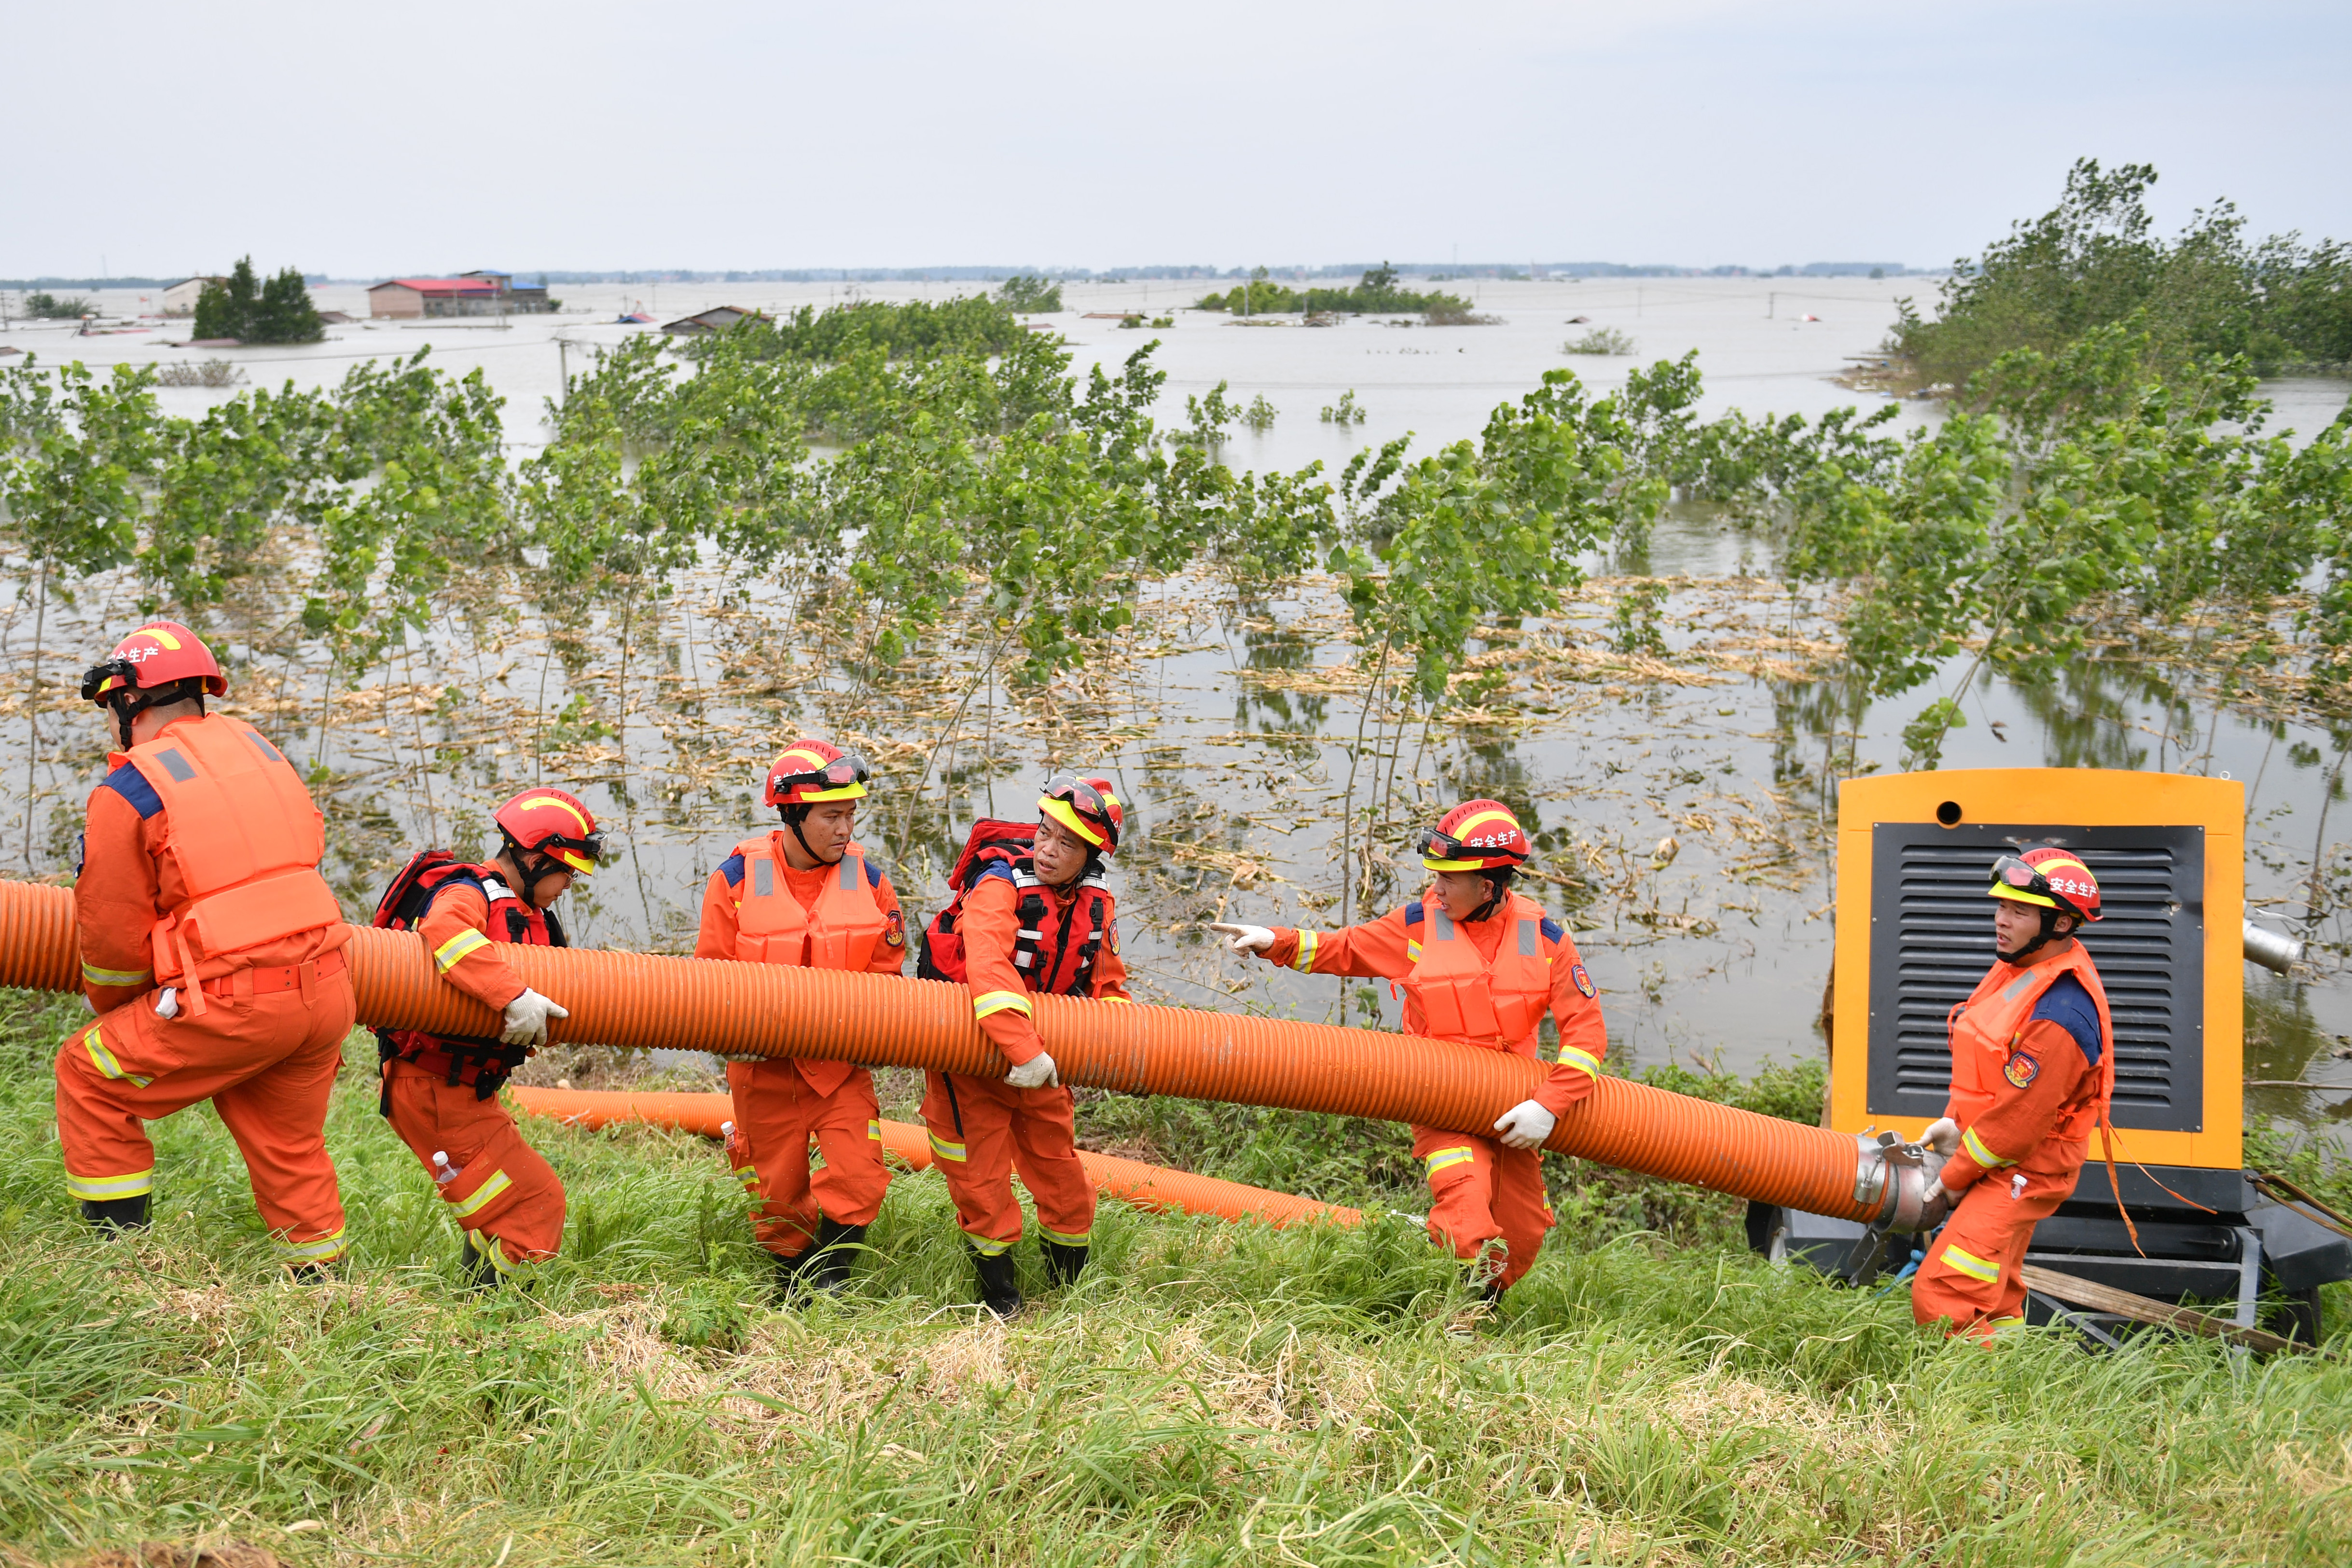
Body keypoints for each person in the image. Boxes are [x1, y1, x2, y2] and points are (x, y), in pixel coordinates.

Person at [1212, 799, 1606, 1299]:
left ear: (1487, 886)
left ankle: (1483, 1301)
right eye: (1433, 876)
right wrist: (1275, 941)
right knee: (1464, 1210)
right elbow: (1346, 949)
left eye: (1447, 879)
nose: (1435, 889)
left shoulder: (1546, 940)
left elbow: (1586, 1035)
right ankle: (1455, 1322)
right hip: (1438, 1099)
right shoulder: (1420, 924)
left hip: (1513, 1107)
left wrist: (1547, 1108)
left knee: (1522, 1232)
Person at [57, 621, 355, 1271]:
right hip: (329, 989)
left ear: (128, 701)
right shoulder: (257, 749)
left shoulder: (130, 789)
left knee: (89, 1073)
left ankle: (121, 1265)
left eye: (111, 708)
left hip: (237, 1001)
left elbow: (111, 939)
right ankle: (325, 1288)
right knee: (289, 1144)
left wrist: (120, 1010)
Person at [695, 741, 908, 1295]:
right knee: (776, 1197)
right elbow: (708, 977)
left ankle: (830, 1280)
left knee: (860, 1177)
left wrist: (877, 1033)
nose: (845, 829)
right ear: (791, 813)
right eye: (832, 816)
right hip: (763, 1070)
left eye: (851, 816)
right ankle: (789, 1285)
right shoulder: (736, 880)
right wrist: (728, 1035)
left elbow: (888, 971)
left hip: (840, 1068)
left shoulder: (869, 880)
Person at [917, 774, 1131, 1318]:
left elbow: (1106, 982)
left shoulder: (1097, 904)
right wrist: (1024, 1051)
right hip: (969, 1055)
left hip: (1044, 1059)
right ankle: (1001, 1300)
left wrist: (1122, 1050)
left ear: (1089, 856)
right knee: (980, 1178)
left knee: (1061, 1173)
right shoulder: (998, 886)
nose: (1047, 850)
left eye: (1065, 843)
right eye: (1044, 832)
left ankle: (1070, 1295)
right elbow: (988, 969)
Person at [374, 789, 599, 1287]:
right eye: (566, 871)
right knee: (537, 1206)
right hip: (431, 1088)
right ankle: (490, 1322)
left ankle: (478, 1298)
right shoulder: (469, 894)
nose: (571, 883)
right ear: (536, 859)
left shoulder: (533, 914)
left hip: (466, 1093)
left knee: (509, 1206)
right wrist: (511, 995)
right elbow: (444, 929)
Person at [1911, 848, 2113, 1344]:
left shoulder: (2060, 1014)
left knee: (1944, 1293)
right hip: (1998, 1158)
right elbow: (1990, 1072)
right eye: (2000, 907)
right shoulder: (2021, 966)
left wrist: (1955, 1177)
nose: (2000, 920)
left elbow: (2018, 1123)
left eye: (2018, 911)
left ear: (2061, 923)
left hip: (2024, 1169)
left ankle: (1960, 1410)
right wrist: (1954, 1126)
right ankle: (2006, 1381)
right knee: (1994, 1291)